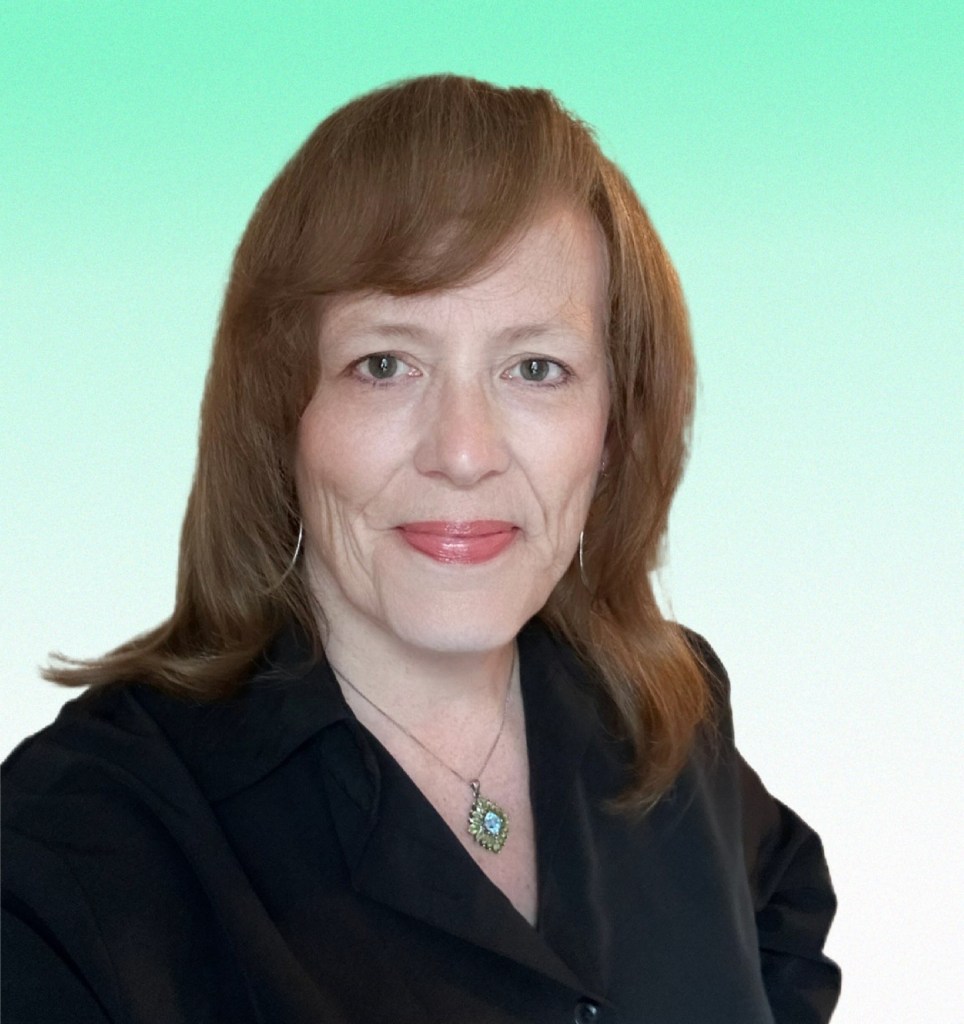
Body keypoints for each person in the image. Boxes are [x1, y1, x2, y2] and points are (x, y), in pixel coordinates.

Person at [1, 75, 840, 1023]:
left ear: (613, 426)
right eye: (385, 364)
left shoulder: (661, 710)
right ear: (284, 413)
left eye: (536, 368)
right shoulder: (68, 849)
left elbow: (783, 910)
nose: (464, 452)